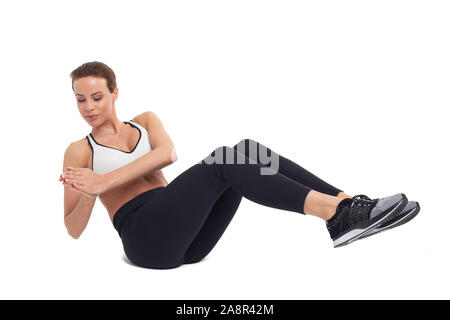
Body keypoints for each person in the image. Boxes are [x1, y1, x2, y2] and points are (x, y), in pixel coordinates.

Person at [60, 61, 420, 269]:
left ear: (114, 93)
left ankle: (349, 203)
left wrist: (104, 181)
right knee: (223, 161)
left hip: (188, 239)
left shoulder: (145, 120)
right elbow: (72, 230)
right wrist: (90, 193)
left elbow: (168, 154)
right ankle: (334, 214)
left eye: (97, 97)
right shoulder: (79, 151)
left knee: (246, 149)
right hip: (145, 240)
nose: (89, 107)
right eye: (80, 100)